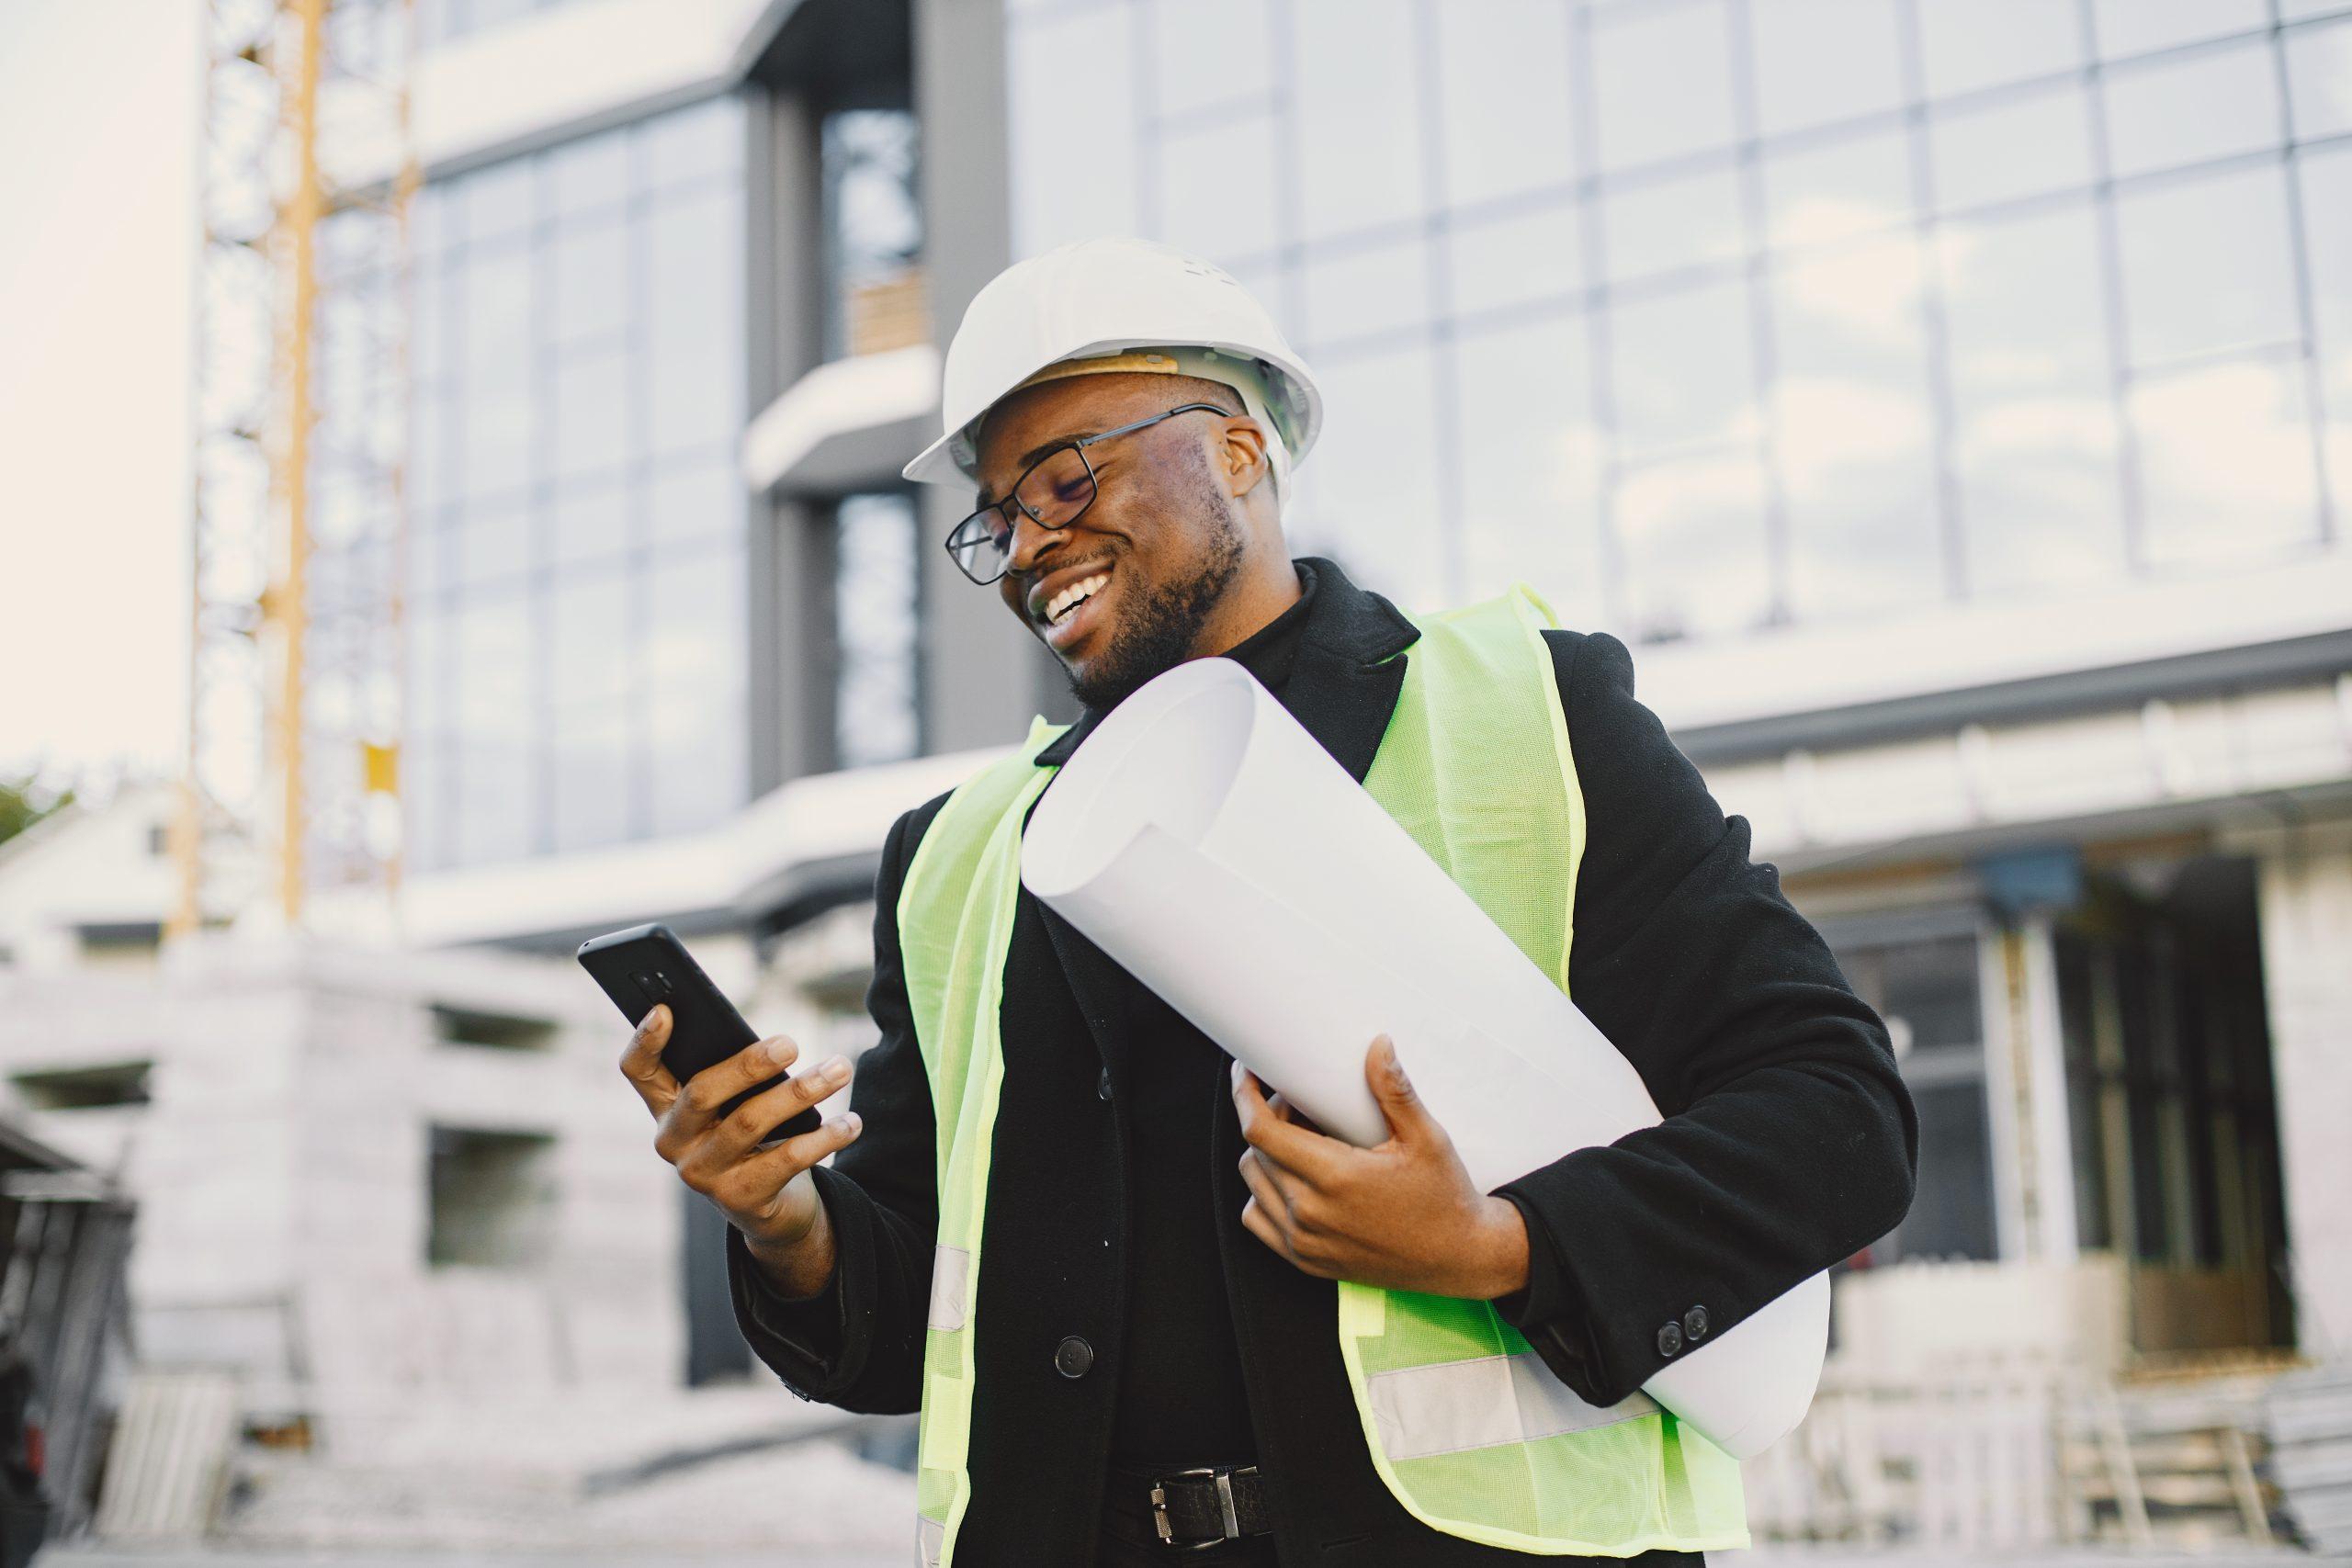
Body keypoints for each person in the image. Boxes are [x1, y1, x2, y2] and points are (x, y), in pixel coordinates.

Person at [619, 236, 1918, 1566]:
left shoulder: (1526, 715)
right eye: (995, 516)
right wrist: (783, 1218)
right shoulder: (957, 856)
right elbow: (903, 1327)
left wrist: (1498, 1243)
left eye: (1066, 476)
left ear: (1239, 450)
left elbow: (1837, 1115)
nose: (1027, 545)